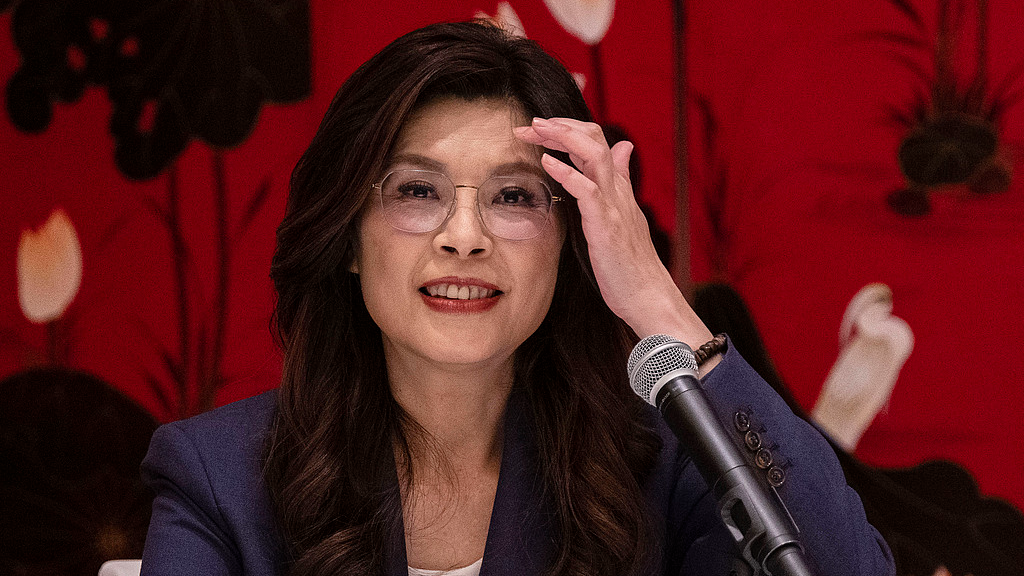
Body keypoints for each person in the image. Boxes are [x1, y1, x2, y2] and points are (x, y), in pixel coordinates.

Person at [139, 21, 895, 576]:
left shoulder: (664, 466)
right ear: (347, 235)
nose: (464, 236)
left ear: (569, 244)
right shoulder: (218, 477)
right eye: (416, 191)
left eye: (512, 197)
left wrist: (660, 308)